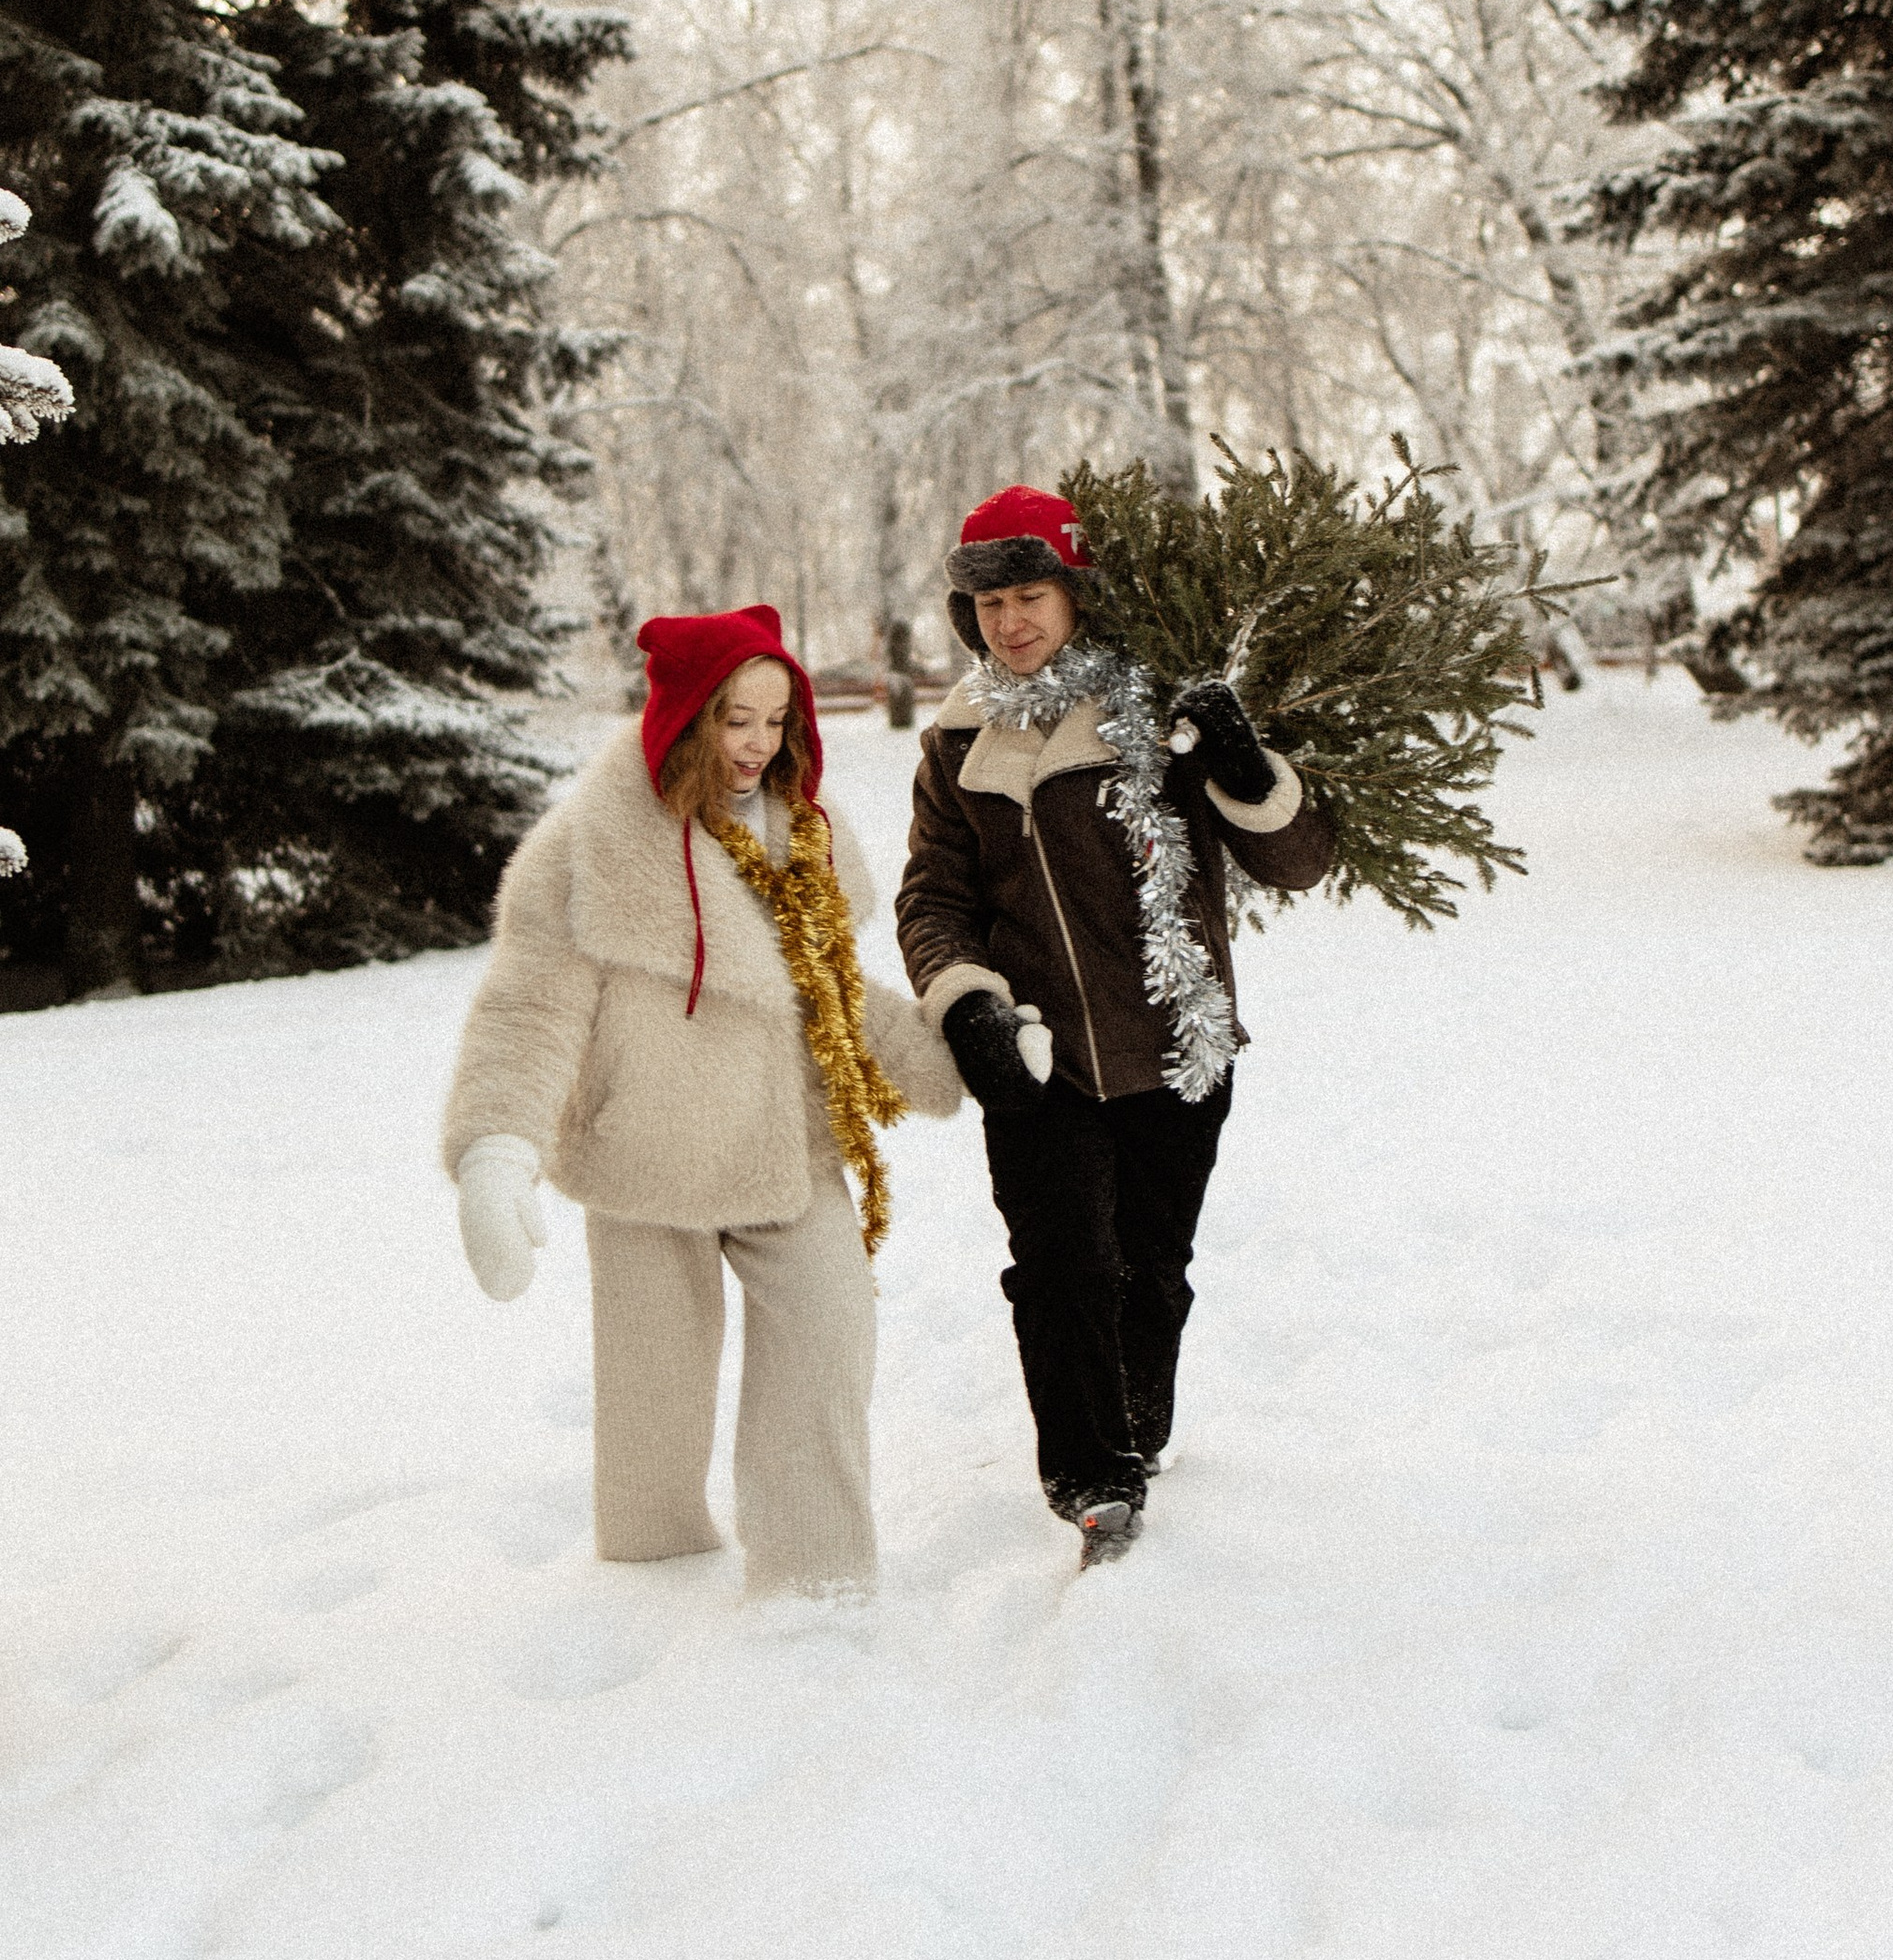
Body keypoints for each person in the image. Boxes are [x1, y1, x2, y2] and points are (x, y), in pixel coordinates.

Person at [443, 604, 960, 1596]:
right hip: (645, 1154)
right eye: (735, 720)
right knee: (653, 1386)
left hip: (782, 1148)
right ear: (685, 718)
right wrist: (495, 1151)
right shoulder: (589, 848)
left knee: (829, 1324)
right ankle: (651, 1581)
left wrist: (954, 1058)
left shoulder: (805, 833)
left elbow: (840, 998)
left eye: (775, 720)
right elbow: (528, 1009)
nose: (757, 745)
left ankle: (816, 1574)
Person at [895, 484, 1331, 1558]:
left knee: (1149, 1262)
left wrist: (1241, 765)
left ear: (1075, 595)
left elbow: (1298, 858)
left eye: (1030, 595)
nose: (1011, 623)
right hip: (1033, 1052)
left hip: (1173, 1041)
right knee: (1058, 1266)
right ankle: (1090, 1475)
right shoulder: (957, 742)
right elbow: (932, 899)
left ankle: (1137, 1433)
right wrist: (967, 1006)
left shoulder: (1160, 714)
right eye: (990, 605)